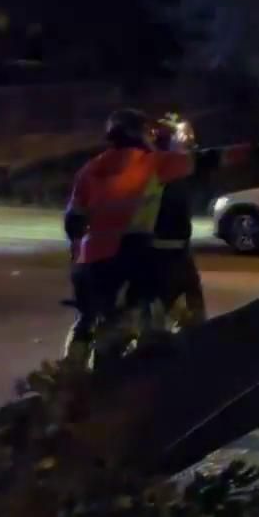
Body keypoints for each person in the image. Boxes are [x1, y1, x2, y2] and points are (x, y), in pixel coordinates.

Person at [62, 108, 192, 364]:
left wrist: (77, 253)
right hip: (133, 253)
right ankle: (144, 359)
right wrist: (173, 139)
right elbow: (190, 161)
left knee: (86, 318)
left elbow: (72, 219)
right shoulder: (154, 163)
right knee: (149, 307)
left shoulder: (90, 169)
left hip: (90, 258)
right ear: (140, 134)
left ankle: (71, 369)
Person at [138, 113, 206, 326]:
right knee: (188, 311)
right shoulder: (172, 166)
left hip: (161, 250)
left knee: (157, 308)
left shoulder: (149, 166)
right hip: (169, 253)